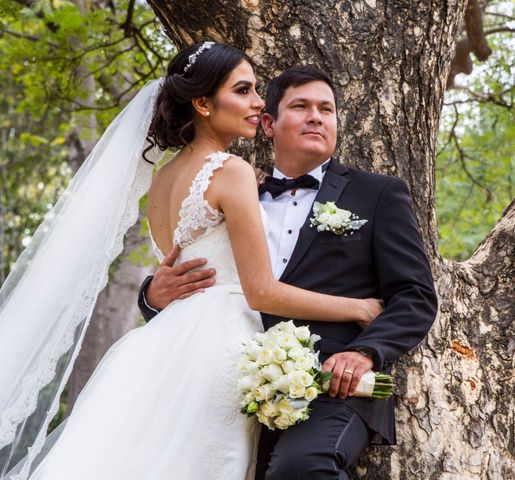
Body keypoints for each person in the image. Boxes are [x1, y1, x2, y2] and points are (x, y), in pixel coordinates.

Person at [1, 42, 386, 480]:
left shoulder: (162, 179)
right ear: (203, 103)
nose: (259, 102)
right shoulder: (232, 171)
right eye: (243, 91)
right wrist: (358, 307)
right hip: (220, 343)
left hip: (165, 340)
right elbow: (260, 290)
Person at [139, 65, 439, 479]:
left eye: (327, 109)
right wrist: (151, 295)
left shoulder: (378, 194)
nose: (317, 116)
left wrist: (366, 352)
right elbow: (199, 272)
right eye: (300, 107)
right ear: (268, 123)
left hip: (333, 383)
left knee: (301, 468)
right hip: (230, 377)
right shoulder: (234, 188)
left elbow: (416, 295)